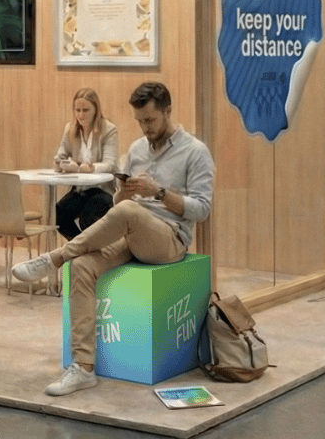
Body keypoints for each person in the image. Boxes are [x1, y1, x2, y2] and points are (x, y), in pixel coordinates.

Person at [11, 81, 214, 397]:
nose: (145, 128)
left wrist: (158, 192)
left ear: (168, 112)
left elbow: (201, 209)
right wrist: (124, 193)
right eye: (140, 121)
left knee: (129, 213)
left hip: (169, 239)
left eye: (151, 120)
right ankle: (83, 368)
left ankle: (54, 257)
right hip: (131, 233)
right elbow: (119, 204)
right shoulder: (136, 149)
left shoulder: (195, 152)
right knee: (81, 267)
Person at [53, 88, 119, 240]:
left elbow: (110, 164)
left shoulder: (108, 129)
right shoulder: (70, 128)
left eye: (86, 110)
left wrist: (92, 168)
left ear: (96, 109)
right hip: (80, 189)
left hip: (103, 190)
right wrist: (65, 165)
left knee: (88, 218)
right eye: (78, 110)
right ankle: (82, 248)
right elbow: (58, 159)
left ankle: (84, 248)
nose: (81, 115)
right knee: (57, 215)